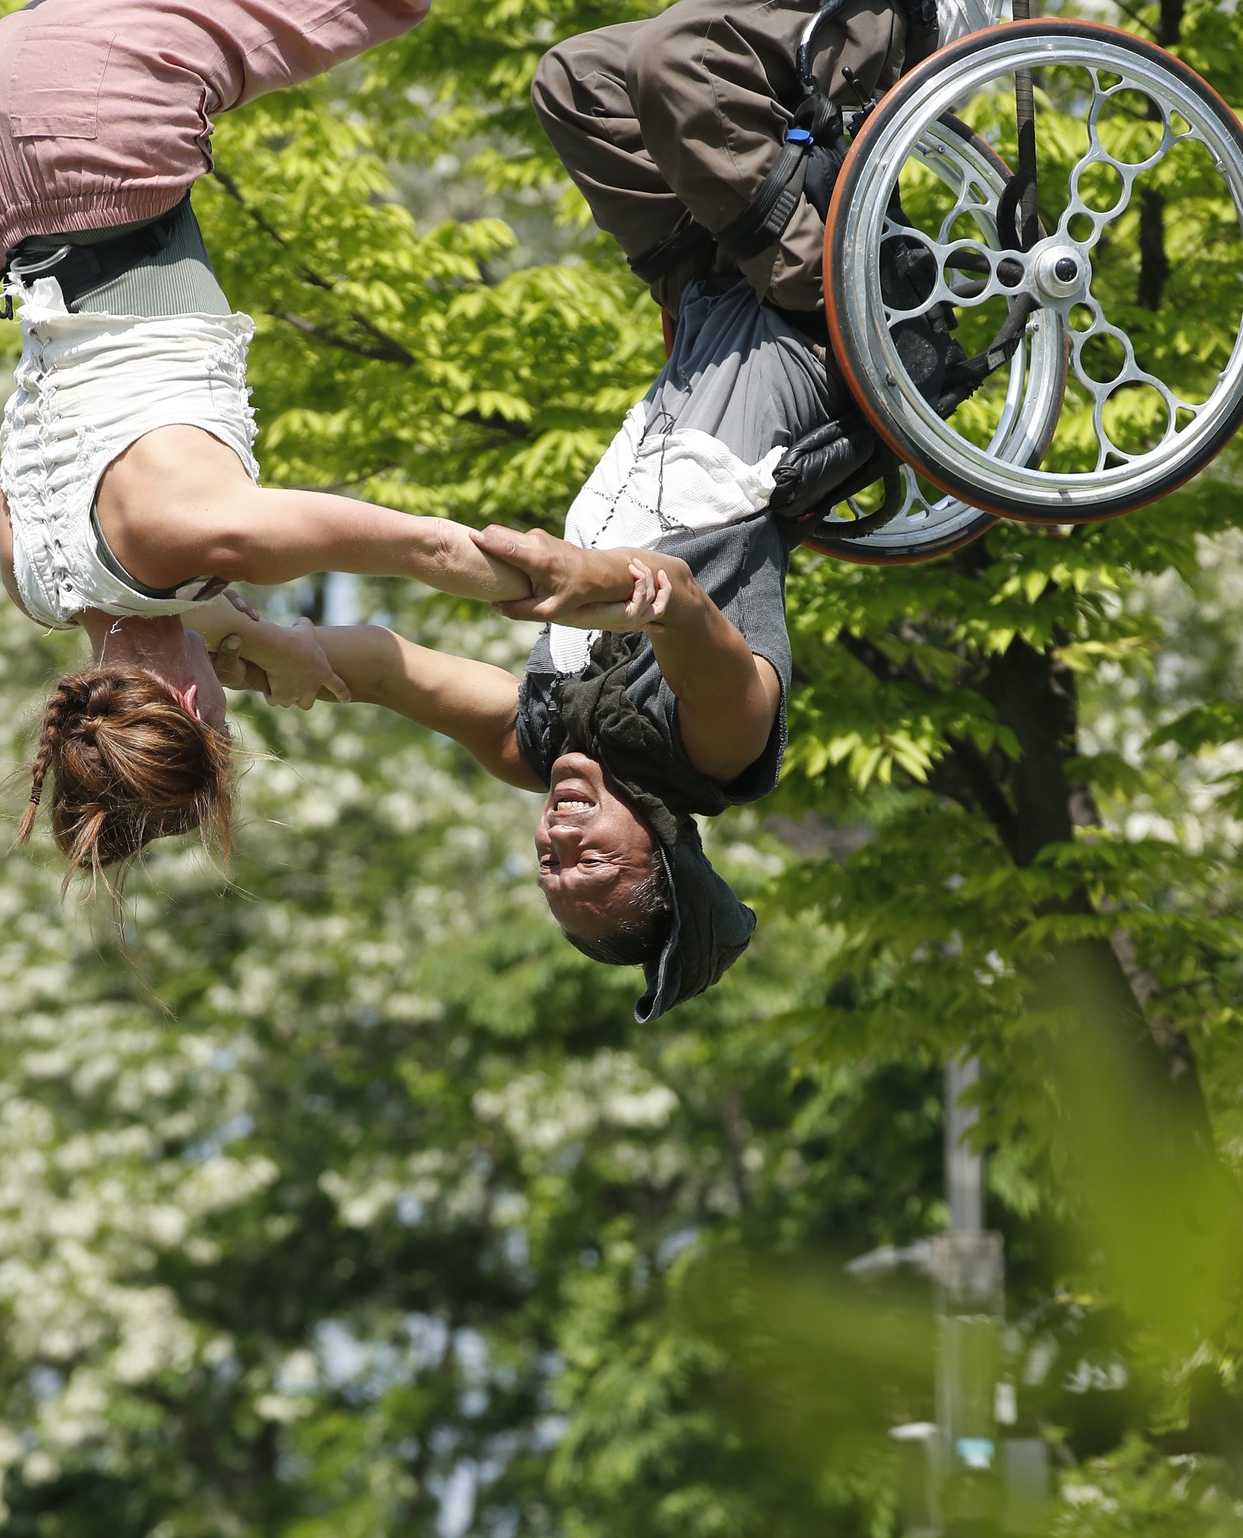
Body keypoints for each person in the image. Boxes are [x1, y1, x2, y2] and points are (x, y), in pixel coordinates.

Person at [208, 0, 922, 1018]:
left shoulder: (529, 742)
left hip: (707, 301)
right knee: (682, 62)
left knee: (578, 82)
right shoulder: (716, 753)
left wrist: (230, 647)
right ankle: (909, 25)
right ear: (663, 849)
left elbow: (377, 666)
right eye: (594, 870)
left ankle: (848, 59)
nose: (559, 848)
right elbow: (682, 608)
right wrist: (597, 585)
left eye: (552, 876)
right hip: (815, 319)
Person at [0, 0, 530, 879]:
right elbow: (143, 597)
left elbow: (435, 549)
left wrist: (556, 589)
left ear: (192, 699)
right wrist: (279, 642)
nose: (233, 696)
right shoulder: (34, 583)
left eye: (221, 713)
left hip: (96, 125)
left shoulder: (207, 538)